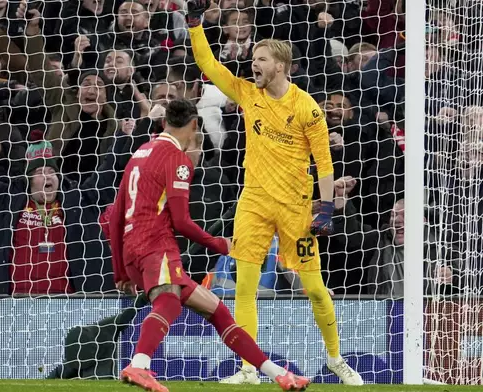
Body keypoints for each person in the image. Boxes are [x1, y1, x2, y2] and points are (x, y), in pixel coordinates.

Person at [186, 0, 364, 385]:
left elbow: (325, 163)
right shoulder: (248, 94)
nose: (254, 63)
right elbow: (209, 66)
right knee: (245, 288)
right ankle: (249, 369)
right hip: (253, 203)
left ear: (279, 65)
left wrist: (328, 208)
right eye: (254, 58)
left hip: (296, 209)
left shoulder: (307, 109)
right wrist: (196, 24)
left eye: (261, 59)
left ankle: (335, 358)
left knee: (315, 290)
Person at [107, 98, 310, 392]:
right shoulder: (177, 160)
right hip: (156, 246)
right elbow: (181, 222)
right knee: (169, 301)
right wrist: (220, 244)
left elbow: (115, 215)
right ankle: (138, 365)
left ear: (163, 123)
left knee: (217, 311)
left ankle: (279, 375)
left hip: (132, 249)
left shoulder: (140, 152)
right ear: (193, 126)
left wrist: (120, 271)